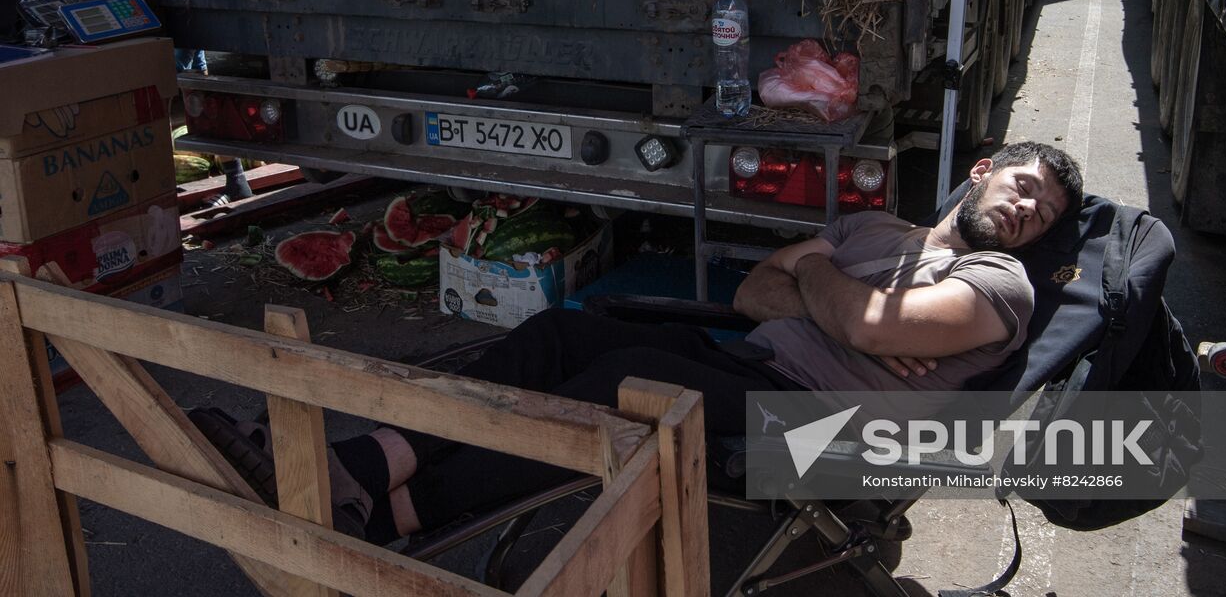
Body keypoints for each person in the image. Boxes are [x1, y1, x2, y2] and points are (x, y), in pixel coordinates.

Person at [193, 142, 1082, 542]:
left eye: (1043, 212)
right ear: (983, 169)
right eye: (1023, 184)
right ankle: (356, 466)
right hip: (757, 363)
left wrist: (820, 284)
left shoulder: (1002, 283)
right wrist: (826, 294)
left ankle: (391, 514)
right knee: (557, 335)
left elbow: (844, 316)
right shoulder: (878, 230)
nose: (1027, 208)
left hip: (827, 434)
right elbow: (752, 289)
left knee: (623, 378)